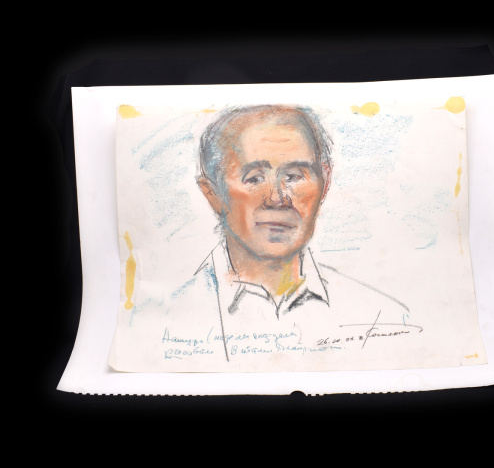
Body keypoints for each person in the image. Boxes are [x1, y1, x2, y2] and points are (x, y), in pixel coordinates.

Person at [146, 104, 417, 372]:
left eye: (294, 176)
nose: (277, 198)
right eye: (254, 178)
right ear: (212, 194)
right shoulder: (162, 324)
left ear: (325, 184)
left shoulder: (383, 317)